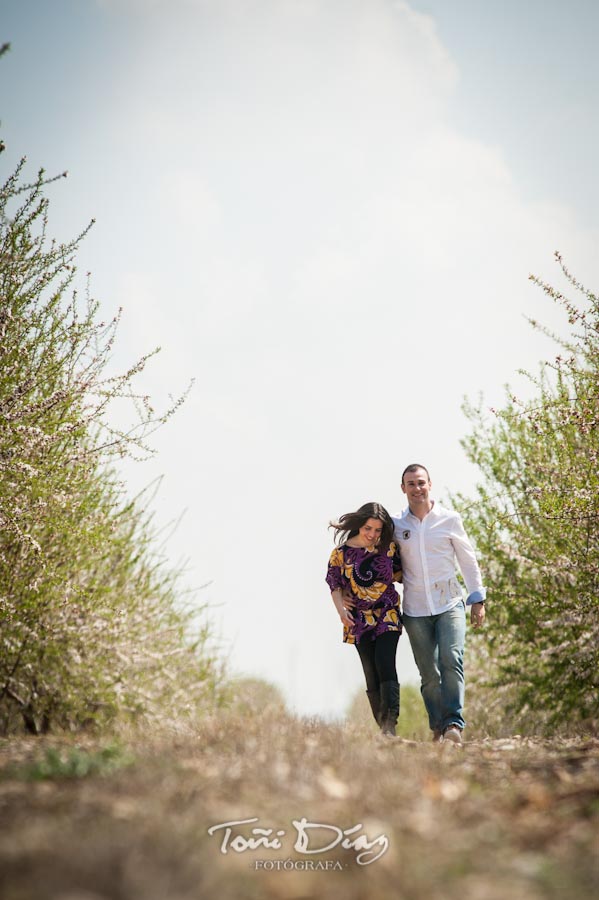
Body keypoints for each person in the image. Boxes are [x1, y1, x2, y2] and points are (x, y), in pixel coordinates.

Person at [392, 465, 486, 745]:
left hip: (449, 604)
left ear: (430, 484)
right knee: (429, 674)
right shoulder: (397, 525)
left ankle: (453, 724)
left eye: (421, 482)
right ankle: (437, 725)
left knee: (451, 659)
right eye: (411, 483)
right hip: (416, 610)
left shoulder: (449, 519)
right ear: (403, 488)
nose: (416, 488)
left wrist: (477, 599)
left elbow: (468, 560)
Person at [326, 502, 403, 736]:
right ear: (359, 525)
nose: (372, 535)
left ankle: (390, 725)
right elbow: (334, 585)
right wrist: (341, 610)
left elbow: (403, 574)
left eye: (378, 530)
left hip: (387, 613)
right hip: (358, 619)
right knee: (370, 672)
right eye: (368, 528)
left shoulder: (389, 548)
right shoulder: (341, 554)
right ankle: (383, 729)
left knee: (384, 662)